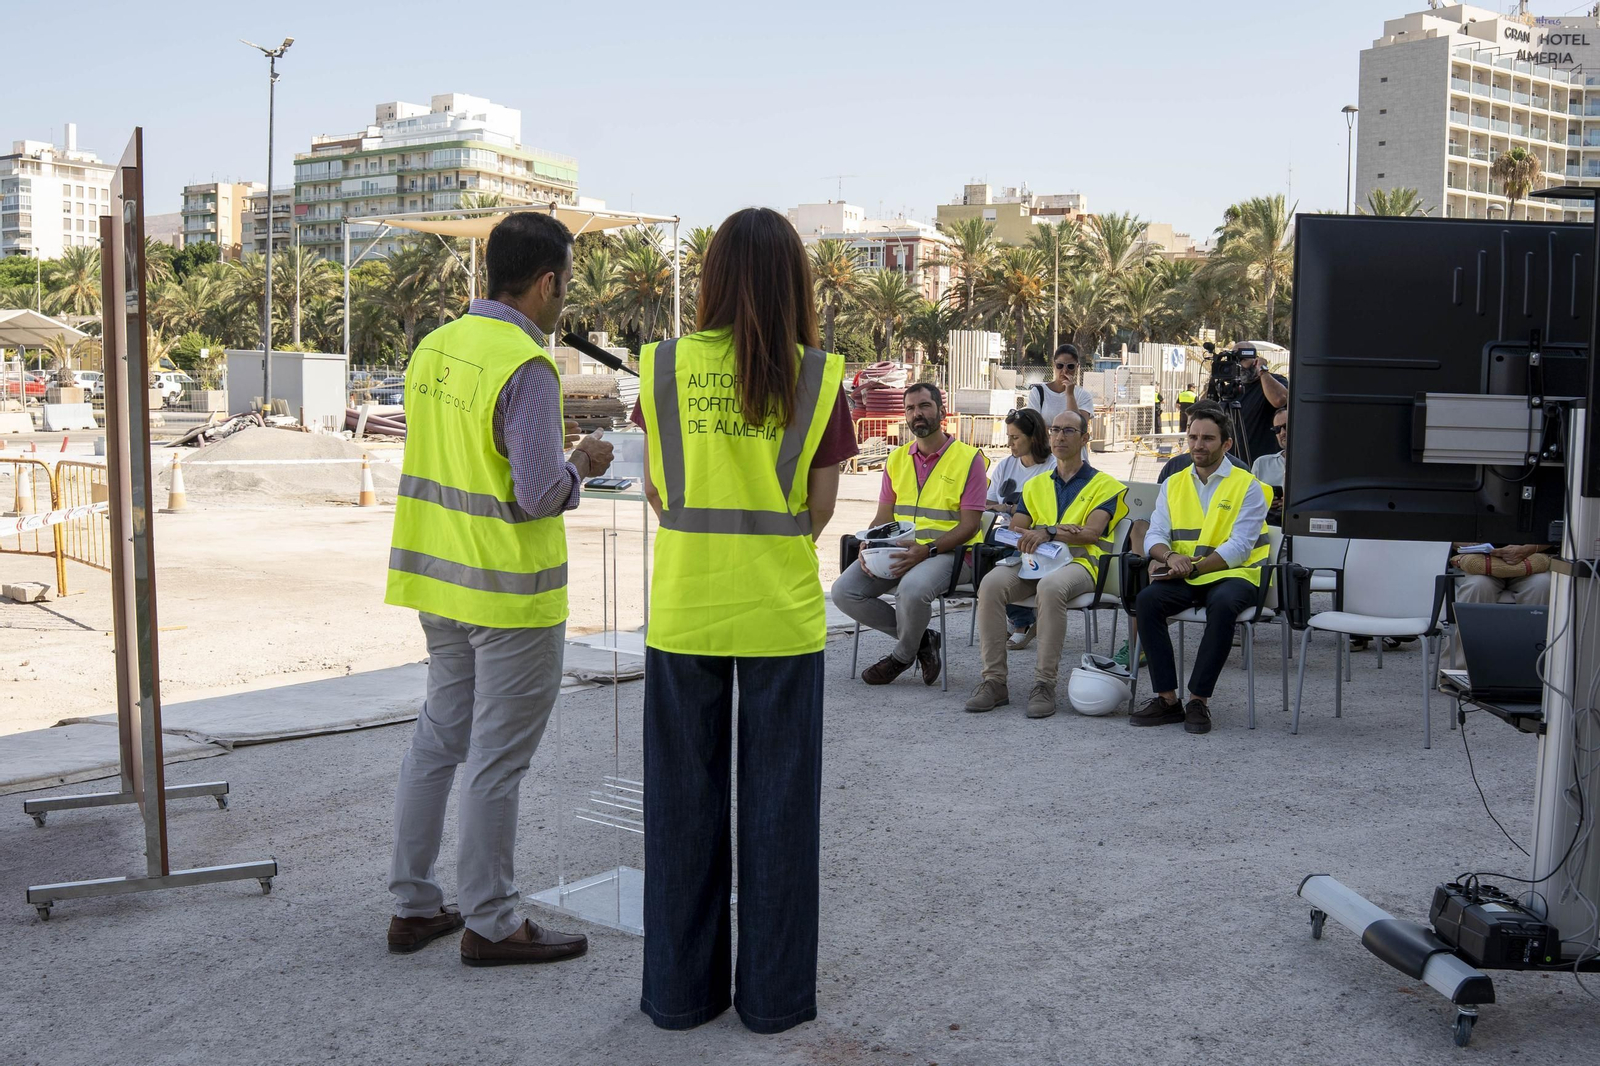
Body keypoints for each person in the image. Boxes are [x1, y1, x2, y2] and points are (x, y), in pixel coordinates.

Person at [637, 207, 851, 1034]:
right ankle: (772, 1000)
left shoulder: (662, 369)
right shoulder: (817, 376)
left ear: (715, 277)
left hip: (686, 611)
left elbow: (659, 494)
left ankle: (681, 996)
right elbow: (821, 508)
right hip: (782, 618)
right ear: (794, 282)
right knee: (779, 816)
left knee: (681, 814)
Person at [384, 212, 612, 966]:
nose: (564, 299)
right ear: (547, 281)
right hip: (509, 595)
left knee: (439, 740)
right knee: (497, 762)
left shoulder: (434, 348)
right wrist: (585, 463)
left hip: (438, 581)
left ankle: (414, 904)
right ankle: (490, 919)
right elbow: (540, 492)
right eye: (567, 283)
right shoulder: (526, 366)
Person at [967, 408, 1126, 718]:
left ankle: (1044, 684)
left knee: (1051, 590)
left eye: (1068, 431)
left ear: (1084, 439)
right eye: (1054, 430)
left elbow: (1091, 533)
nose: (1059, 436)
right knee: (990, 585)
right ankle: (994, 682)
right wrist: (1046, 534)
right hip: (1034, 561)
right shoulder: (1036, 485)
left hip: (1081, 564)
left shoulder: (1105, 485)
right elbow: (1016, 529)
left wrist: (1049, 531)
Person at [1129, 401, 1271, 735]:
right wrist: (1167, 558)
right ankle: (1167, 700)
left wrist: (1192, 568)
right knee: (1147, 601)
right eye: (1193, 437)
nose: (1197, 444)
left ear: (1226, 445)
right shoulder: (1173, 483)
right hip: (1185, 574)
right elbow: (1156, 535)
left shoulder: (1248, 485)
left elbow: (1240, 547)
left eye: (1207, 438)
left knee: (1222, 607)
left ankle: (1198, 701)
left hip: (1234, 575)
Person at [833, 383, 986, 686]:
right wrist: (868, 545)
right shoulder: (897, 458)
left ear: (941, 411)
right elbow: (883, 517)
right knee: (843, 592)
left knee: (912, 592)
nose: (917, 414)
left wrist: (926, 550)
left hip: (951, 555)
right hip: (899, 552)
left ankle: (901, 656)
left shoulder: (971, 459)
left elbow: (970, 525)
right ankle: (923, 639)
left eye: (924, 406)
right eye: (910, 408)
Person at [987, 408, 1056, 650]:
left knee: (1011, 560)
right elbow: (988, 501)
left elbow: (1046, 511)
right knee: (982, 555)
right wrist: (1008, 508)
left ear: (1034, 438)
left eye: (1015, 438)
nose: (1010, 444)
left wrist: (1007, 508)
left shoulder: (1052, 467)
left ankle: (1022, 622)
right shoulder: (1006, 465)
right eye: (1008, 437)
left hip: (1039, 536)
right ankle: (1014, 616)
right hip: (1007, 532)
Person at [1443, 542, 1554, 667]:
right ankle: (1462, 669)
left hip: (1531, 561)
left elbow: (1559, 531)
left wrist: (1527, 549)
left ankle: (1535, 667)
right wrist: (1474, 545)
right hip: (1477, 564)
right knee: (1478, 586)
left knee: (1543, 586)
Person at [1213, 344, 1287, 466]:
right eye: (1234, 360)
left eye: (1243, 359)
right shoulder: (1229, 390)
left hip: (1263, 466)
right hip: (1232, 465)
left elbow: (1279, 400)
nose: (1239, 365)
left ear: (1255, 360)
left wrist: (1263, 370)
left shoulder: (1272, 380)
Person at [1027, 343, 1096, 452]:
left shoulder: (1083, 396)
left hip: (1075, 458)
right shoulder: (1038, 393)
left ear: (1077, 367)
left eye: (1070, 366)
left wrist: (1069, 395)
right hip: (1046, 455)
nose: (1065, 371)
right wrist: (1065, 433)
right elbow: (1035, 426)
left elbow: (1079, 427)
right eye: (1060, 365)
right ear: (1054, 365)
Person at [1249, 407, 1288, 526]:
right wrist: (1265, 502)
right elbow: (1248, 503)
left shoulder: (1316, 465)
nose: (1282, 433)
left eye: (1286, 426)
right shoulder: (1261, 464)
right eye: (1277, 429)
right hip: (1269, 527)